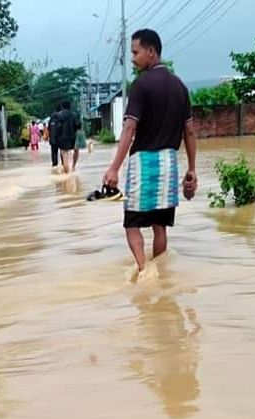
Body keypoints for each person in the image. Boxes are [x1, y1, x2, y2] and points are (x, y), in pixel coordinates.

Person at [102, 29, 197, 272]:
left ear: (151, 52)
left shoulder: (141, 84)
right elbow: (189, 131)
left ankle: (144, 271)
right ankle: (160, 272)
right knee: (160, 226)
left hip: (143, 163)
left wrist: (114, 167)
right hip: (169, 163)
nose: (133, 58)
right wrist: (192, 169)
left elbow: (129, 128)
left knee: (131, 224)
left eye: (135, 52)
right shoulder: (180, 86)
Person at [56, 101, 77, 173]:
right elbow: (77, 125)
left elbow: (57, 128)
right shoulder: (73, 115)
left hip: (62, 138)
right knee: (76, 150)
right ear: (70, 107)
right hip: (72, 137)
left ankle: (66, 173)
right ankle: (73, 167)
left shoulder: (58, 115)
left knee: (65, 154)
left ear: (62, 107)